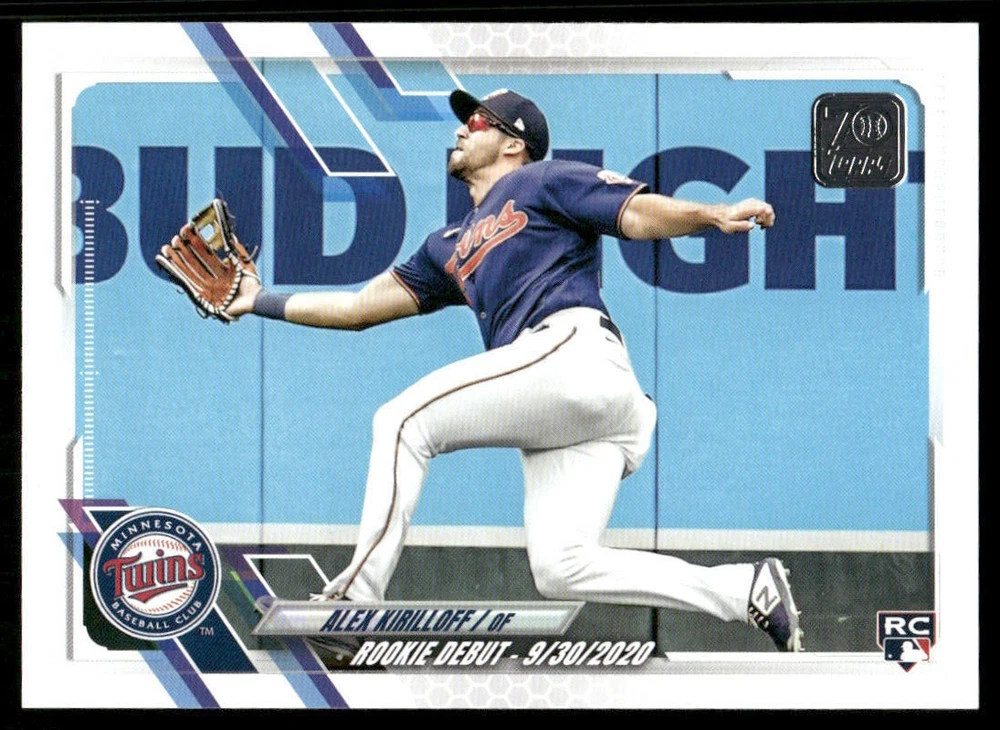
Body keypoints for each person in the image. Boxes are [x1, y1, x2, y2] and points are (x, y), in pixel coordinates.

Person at [223, 88, 802, 655]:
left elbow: (634, 212)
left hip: (573, 350)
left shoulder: (541, 180)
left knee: (402, 421)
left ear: (513, 143)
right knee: (562, 566)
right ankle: (743, 589)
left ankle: (355, 601)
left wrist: (710, 214)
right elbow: (356, 309)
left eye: (477, 121)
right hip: (578, 407)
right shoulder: (446, 245)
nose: (460, 129)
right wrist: (257, 300)